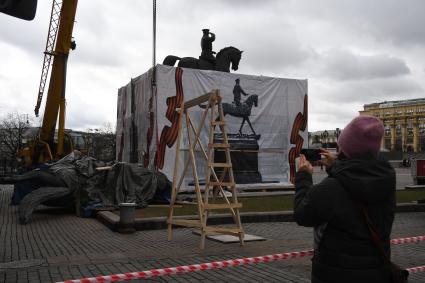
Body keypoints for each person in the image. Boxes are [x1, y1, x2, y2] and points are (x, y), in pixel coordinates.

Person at [294, 115, 396, 283]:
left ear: (346, 148)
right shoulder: (387, 179)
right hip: (378, 273)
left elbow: (302, 213)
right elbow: (358, 179)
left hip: (336, 275)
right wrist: (337, 165)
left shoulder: (332, 188)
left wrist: (304, 177)